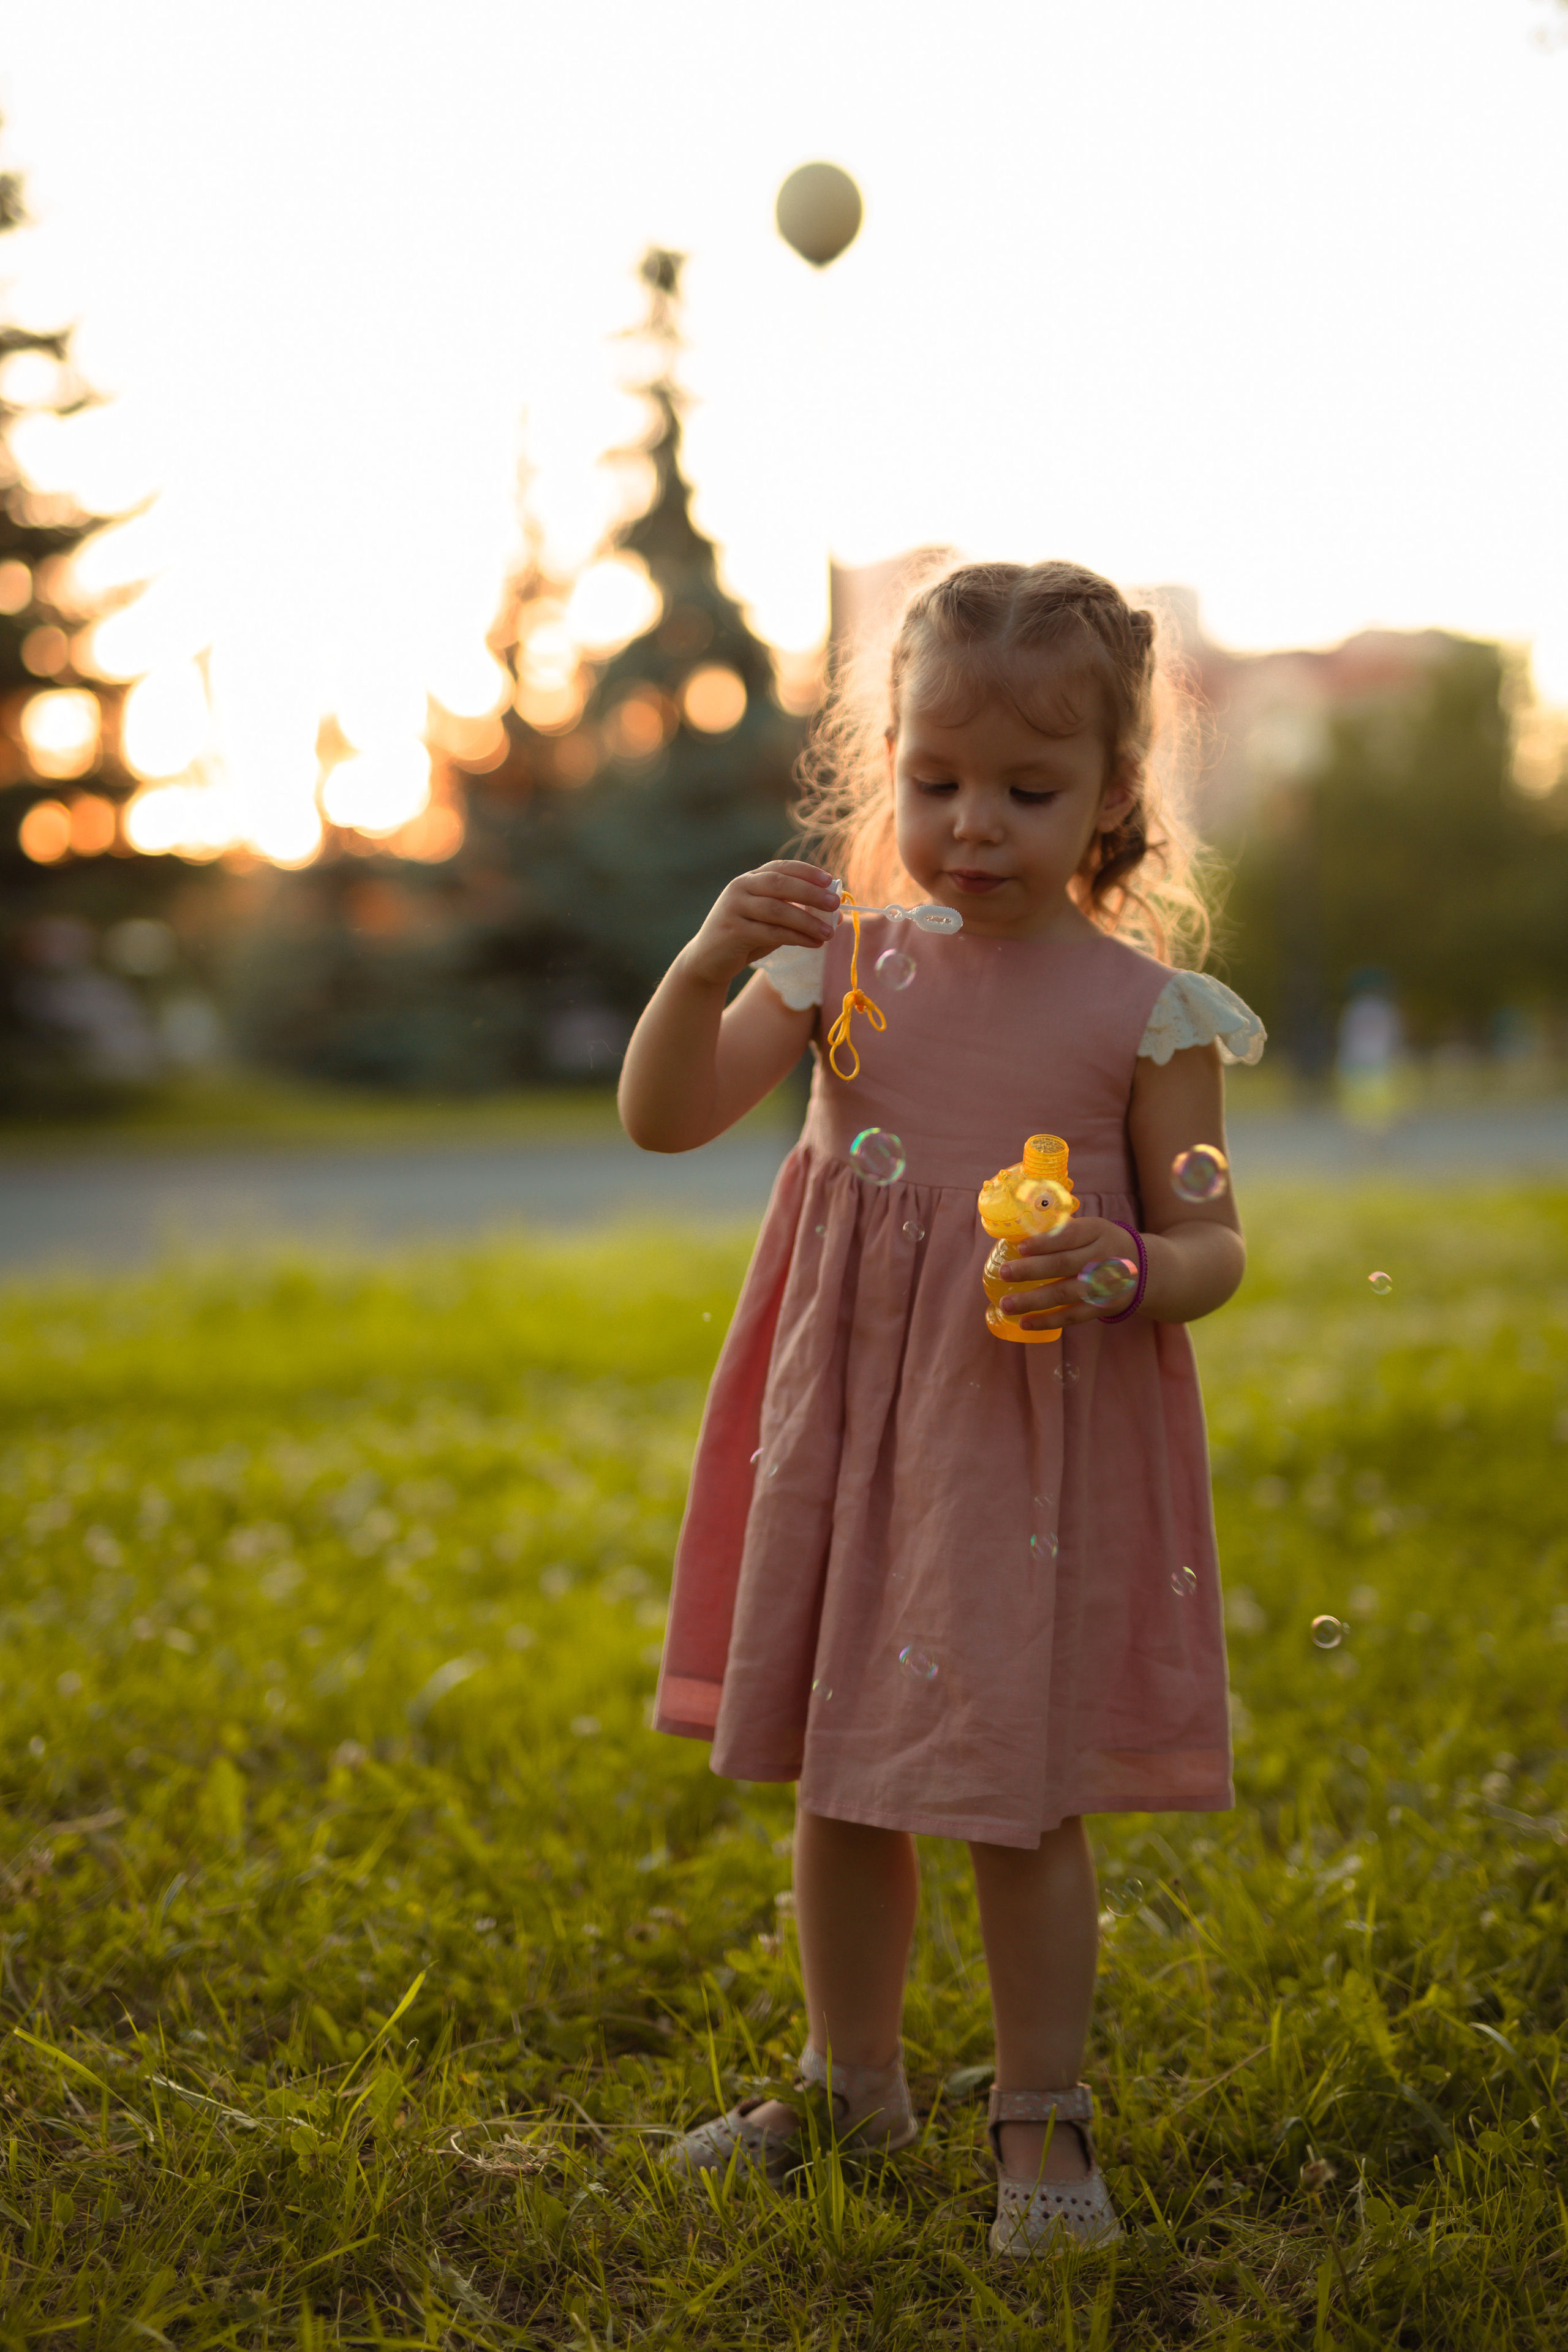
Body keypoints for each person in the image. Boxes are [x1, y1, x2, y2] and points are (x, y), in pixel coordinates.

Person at [618, 560, 1265, 2256]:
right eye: (936, 781)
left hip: (1025, 1442)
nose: (974, 824)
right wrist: (701, 969)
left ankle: (1040, 2118)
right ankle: (852, 2081)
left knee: (1018, 1784)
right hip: (847, 1430)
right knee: (845, 1773)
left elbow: (1212, 1235)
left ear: (1115, 794)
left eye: (1029, 791)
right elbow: (667, 1117)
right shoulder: (837, 964)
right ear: (886, 762)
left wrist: (1129, 1269)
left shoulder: (1151, 1016)